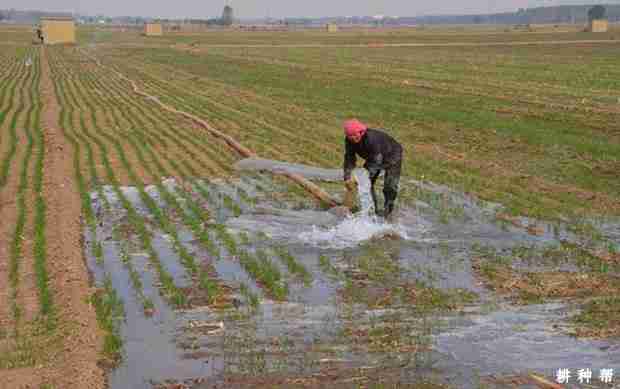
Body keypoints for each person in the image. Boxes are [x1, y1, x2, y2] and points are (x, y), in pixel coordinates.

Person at [343, 119, 403, 219]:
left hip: (392, 155)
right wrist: (347, 175)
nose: (353, 138)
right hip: (373, 157)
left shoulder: (371, 139)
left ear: (361, 132)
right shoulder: (349, 141)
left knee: (390, 186)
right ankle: (372, 212)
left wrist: (365, 176)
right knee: (367, 184)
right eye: (350, 136)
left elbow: (376, 161)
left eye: (355, 135)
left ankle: (388, 211)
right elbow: (349, 157)